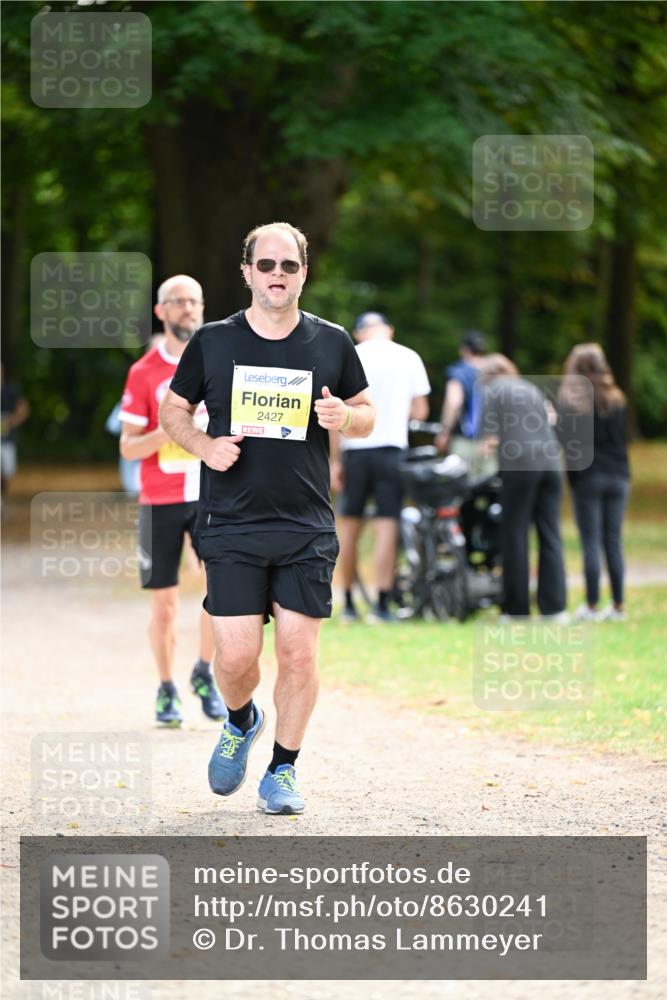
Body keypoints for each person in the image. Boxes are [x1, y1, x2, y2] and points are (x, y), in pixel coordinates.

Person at [159, 222, 374, 815]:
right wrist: (204, 447)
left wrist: (343, 418)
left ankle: (282, 769)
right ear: (247, 271)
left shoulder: (331, 341)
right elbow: (173, 409)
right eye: (267, 265)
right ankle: (240, 719)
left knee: (301, 655)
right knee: (234, 658)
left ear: (304, 273)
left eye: (289, 266)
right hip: (230, 522)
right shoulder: (213, 340)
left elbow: (367, 414)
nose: (278, 275)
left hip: (306, 523)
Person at [119, 276, 224, 726]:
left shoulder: (219, 361)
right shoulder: (143, 372)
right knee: (163, 605)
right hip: (159, 499)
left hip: (210, 496)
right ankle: (166, 688)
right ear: (160, 312)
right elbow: (128, 447)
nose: (188, 309)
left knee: (219, 593)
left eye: (195, 301)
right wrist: (171, 427)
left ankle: (204, 671)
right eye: (178, 302)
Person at [330, 311, 431, 623]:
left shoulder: (349, 354)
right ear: (390, 329)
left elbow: (333, 414)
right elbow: (420, 410)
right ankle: (383, 603)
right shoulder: (408, 356)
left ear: (360, 333)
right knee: (387, 525)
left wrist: (335, 461)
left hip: (354, 450)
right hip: (391, 449)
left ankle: (347, 602)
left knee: (348, 527)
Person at [480, 353, 566, 619]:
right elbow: (551, 422)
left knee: (515, 534)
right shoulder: (530, 388)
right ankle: (555, 609)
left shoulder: (493, 391)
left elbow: (489, 440)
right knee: (550, 533)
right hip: (552, 464)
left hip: (521, 465)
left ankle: (516, 609)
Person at [559, 343, 630, 622]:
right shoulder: (617, 399)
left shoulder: (572, 401)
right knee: (613, 541)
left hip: (589, 477)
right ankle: (618, 605)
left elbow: (568, 444)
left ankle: (591, 605)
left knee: (590, 541)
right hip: (619, 475)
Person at [435, 330, 487, 464]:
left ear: (464, 350)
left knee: (463, 482)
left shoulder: (459, 371)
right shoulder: (494, 371)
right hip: (491, 442)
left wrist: (444, 432)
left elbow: (454, 401)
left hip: (466, 440)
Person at [1, 364, 30, 497]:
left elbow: (23, 409)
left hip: (7, 442)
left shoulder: (10, 391)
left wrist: (12, 421)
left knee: (7, 474)